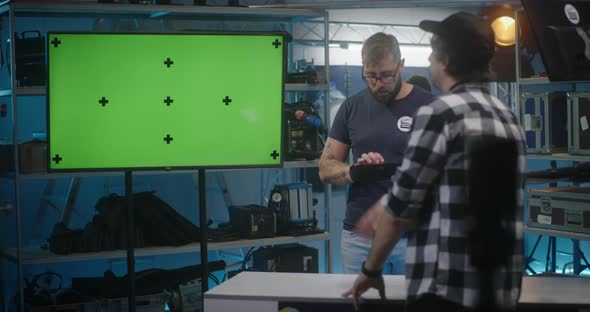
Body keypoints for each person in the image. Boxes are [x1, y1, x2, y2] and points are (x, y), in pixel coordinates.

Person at [343, 12, 525, 311]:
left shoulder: (440, 114)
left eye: (432, 52)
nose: (428, 60)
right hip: (500, 291)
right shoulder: (507, 118)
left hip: (445, 291)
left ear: (446, 60)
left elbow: (400, 208)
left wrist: (371, 270)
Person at [319, 32, 434, 275]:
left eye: (385, 75)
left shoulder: (429, 107)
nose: (378, 84)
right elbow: (325, 167)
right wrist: (355, 171)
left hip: (412, 235)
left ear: (401, 66)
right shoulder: (351, 107)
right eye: (370, 76)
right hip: (360, 236)